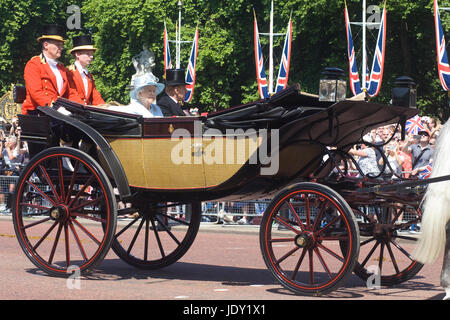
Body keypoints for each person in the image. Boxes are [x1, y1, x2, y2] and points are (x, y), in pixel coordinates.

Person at [22, 24, 83, 115]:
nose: (61, 48)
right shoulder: (33, 65)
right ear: (46, 45)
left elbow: (71, 93)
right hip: (37, 113)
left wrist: (84, 108)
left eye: (61, 45)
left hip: (58, 113)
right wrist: (55, 108)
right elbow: (36, 93)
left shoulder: (62, 68)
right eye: (58, 45)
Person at [66, 34, 105, 106]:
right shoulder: (69, 72)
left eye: (92, 54)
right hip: (73, 111)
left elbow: (95, 96)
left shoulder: (89, 75)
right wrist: (86, 108)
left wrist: (105, 108)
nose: (92, 56)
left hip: (84, 111)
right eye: (88, 54)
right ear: (77, 54)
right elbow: (71, 95)